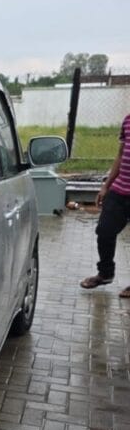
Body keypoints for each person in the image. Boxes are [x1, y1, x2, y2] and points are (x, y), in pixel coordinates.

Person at [80, 113, 130, 297]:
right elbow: (121, 155)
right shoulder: (127, 120)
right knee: (104, 231)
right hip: (120, 189)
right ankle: (106, 273)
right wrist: (106, 186)